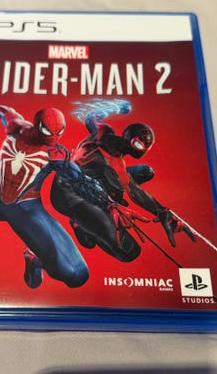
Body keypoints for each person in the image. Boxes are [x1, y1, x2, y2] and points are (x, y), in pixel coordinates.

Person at [0, 99, 89, 289]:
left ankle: (34, 259)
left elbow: (82, 181)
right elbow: (2, 109)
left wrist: (107, 203)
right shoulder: (17, 128)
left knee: (77, 274)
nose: (54, 138)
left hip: (26, 210)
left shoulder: (56, 155)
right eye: (49, 131)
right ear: (38, 126)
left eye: (59, 132)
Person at [50, 100, 195, 262]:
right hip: (67, 194)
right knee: (128, 251)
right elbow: (134, 191)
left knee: (145, 172)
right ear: (130, 139)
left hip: (93, 182)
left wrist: (116, 107)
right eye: (138, 144)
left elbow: (91, 117)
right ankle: (80, 223)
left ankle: (98, 211)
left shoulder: (104, 134)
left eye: (145, 145)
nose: (141, 148)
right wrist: (161, 211)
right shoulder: (113, 161)